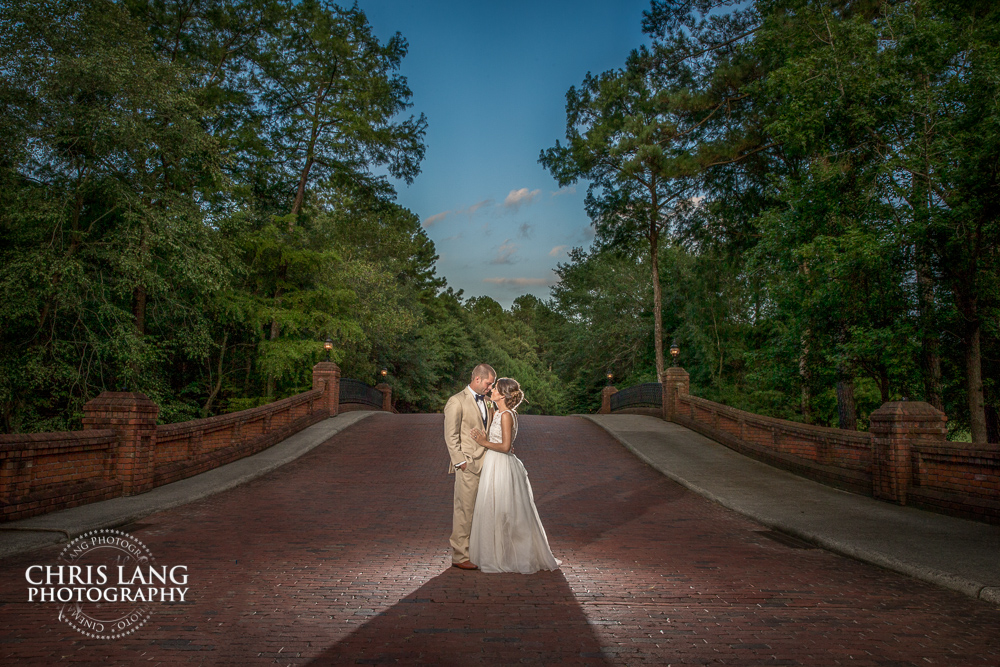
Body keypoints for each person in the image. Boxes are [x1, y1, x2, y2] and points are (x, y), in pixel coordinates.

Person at [468, 377, 560, 574]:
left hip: (501, 465)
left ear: (502, 394)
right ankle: (494, 553)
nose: (491, 390)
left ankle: (511, 556)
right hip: (493, 463)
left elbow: (506, 446)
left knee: (507, 511)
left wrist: (483, 442)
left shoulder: (507, 415)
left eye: (495, 389)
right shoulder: (498, 412)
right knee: (492, 508)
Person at [443, 363, 496, 570]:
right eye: (488, 383)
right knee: (464, 511)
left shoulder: (488, 401)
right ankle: (460, 556)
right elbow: (451, 435)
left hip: (488, 464)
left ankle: (475, 551)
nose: (490, 388)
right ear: (477, 379)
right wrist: (461, 462)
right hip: (468, 465)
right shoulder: (456, 401)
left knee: (482, 511)